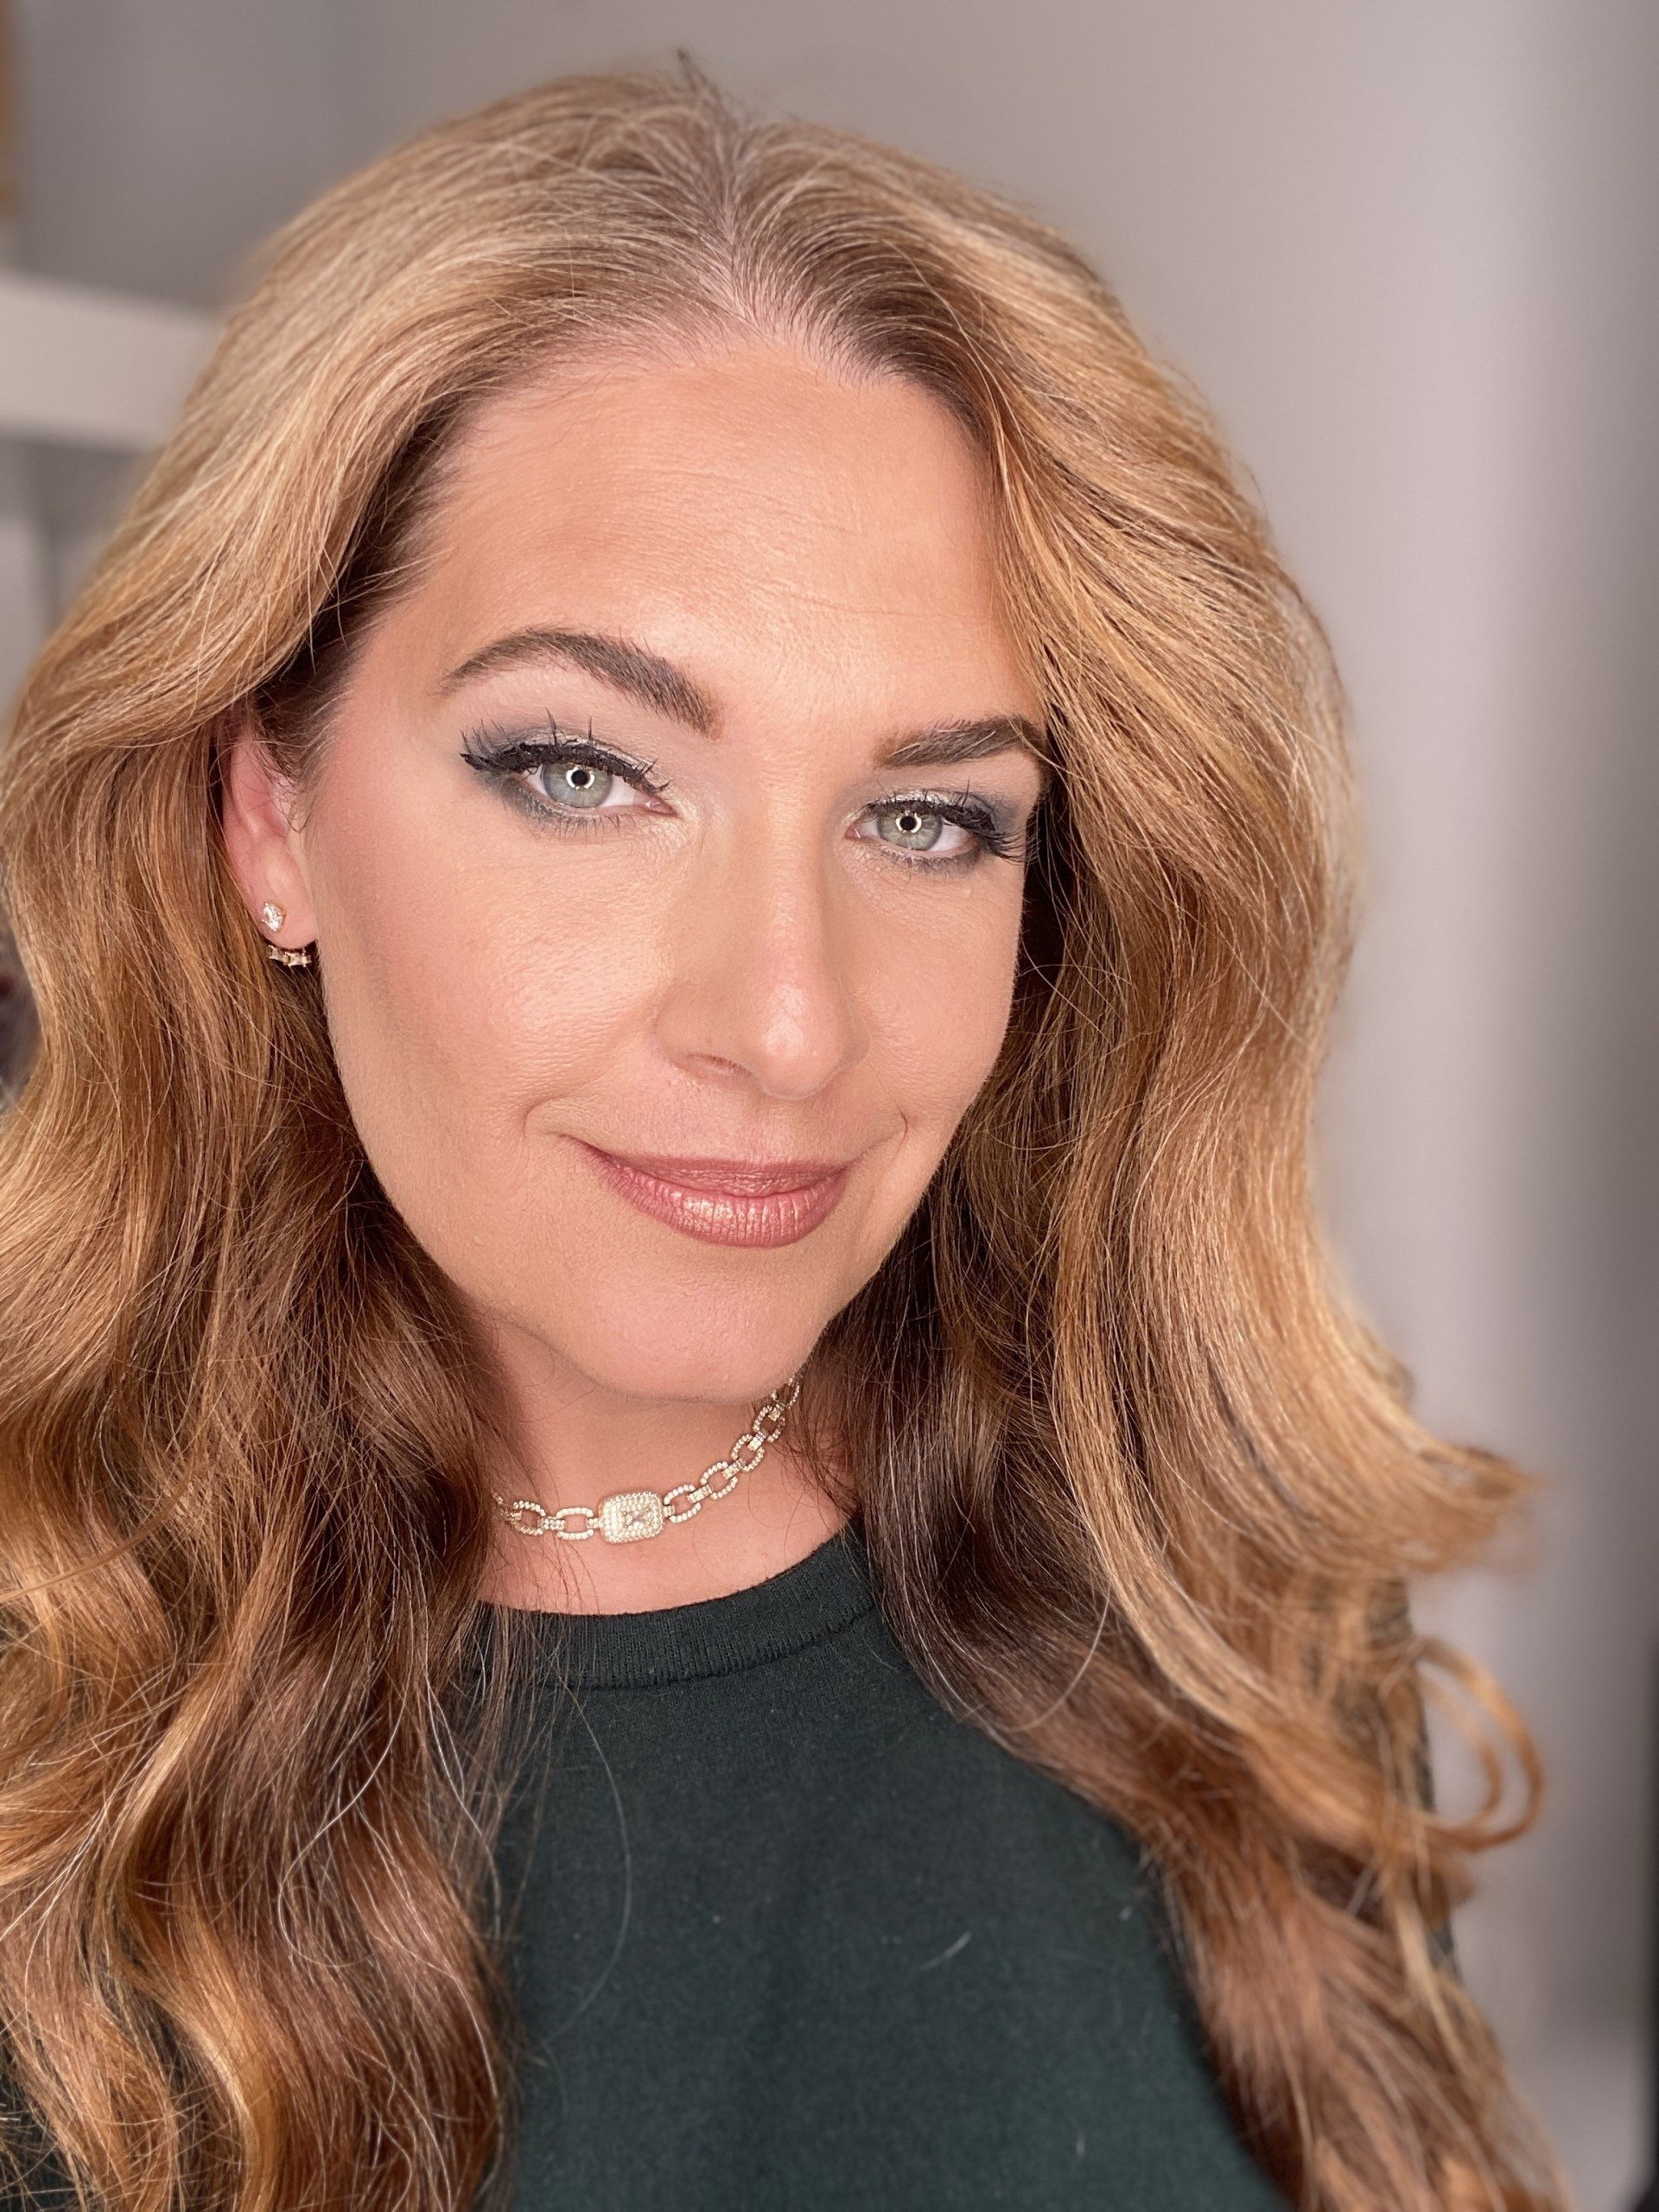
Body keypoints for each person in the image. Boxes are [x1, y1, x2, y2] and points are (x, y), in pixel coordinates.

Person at [0, 54, 1567, 2212]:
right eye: (581, 773)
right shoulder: (46, 1700)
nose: (789, 1021)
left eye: (928, 817)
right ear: (269, 813)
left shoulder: (1217, 1569)